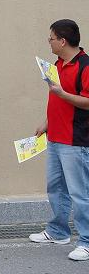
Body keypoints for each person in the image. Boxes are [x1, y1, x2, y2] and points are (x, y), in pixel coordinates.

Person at [29, 19, 89, 261]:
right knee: (56, 189)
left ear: (62, 41)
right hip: (55, 138)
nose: (49, 42)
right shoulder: (57, 64)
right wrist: (46, 123)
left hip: (76, 141)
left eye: (51, 38)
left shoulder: (85, 66)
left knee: (80, 193)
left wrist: (63, 94)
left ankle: (86, 241)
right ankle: (58, 231)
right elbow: (56, 102)